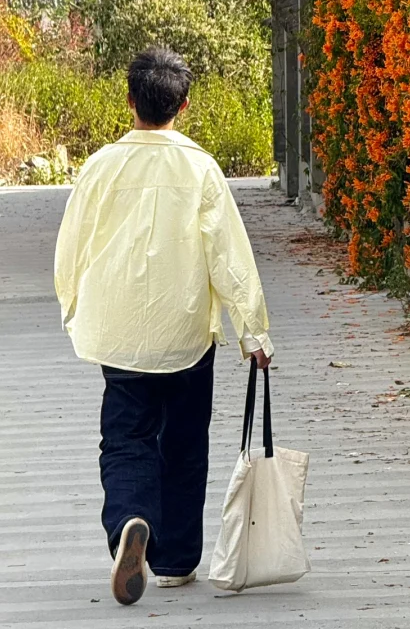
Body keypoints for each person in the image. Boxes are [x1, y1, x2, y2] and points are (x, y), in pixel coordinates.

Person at [54, 45, 274, 606]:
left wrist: (73, 302)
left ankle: (130, 519)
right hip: (186, 334)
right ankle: (175, 559)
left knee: (126, 437)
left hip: (121, 330)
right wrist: (254, 330)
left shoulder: (101, 166)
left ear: (130, 101)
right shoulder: (200, 167)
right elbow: (229, 255)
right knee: (184, 441)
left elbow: (72, 244)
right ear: (185, 104)